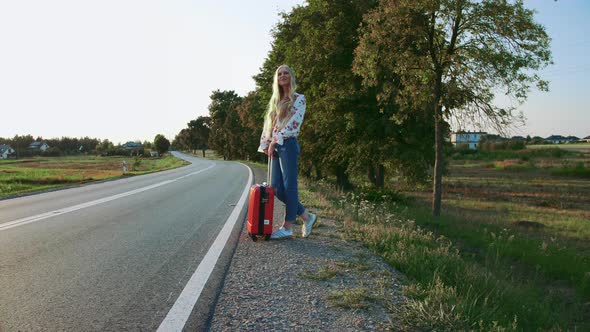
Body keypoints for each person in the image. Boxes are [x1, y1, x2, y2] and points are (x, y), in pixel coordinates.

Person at [258, 65, 317, 239]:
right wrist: (267, 142)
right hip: (275, 146)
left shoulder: (299, 99)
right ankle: (307, 216)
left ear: (291, 76)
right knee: (276, 188)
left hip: (288, 144)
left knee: (290, 186)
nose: (283, 75)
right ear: (276, 79)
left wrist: (276, 141)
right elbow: (269, 125)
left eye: (286, 73)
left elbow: (294, 124)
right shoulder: (275, 101)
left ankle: (287, 227)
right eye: (279, 73)